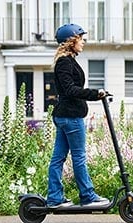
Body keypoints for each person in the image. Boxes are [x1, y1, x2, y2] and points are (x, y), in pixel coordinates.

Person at [46, 23, 109, 208]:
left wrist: (95, 95)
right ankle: (88, 196)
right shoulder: (65, 62)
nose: (83, 42)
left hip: (66, 116)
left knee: (58, 158)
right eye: (81, 39)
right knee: (79, 157)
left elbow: (71, 89)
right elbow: (70, 90)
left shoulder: (68, 60)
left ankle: (55, 198)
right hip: (70, 117)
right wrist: (95, 94)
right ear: (71, 41)